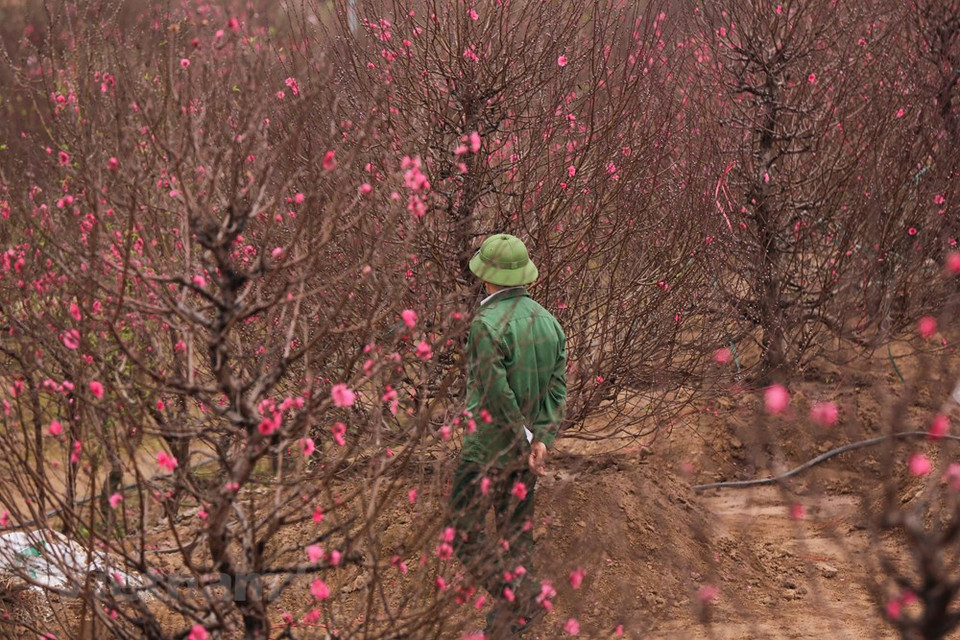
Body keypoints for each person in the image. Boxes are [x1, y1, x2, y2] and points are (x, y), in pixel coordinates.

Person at [449, 233, 567, 637]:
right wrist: (541, 440)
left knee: (461, 530)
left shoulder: (485, 325)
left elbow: (496, 395)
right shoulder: (550, 323)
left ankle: (522, 597)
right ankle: (509, 624)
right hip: (528, 452)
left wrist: (521, 438)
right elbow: (557, 389)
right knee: (516, 540)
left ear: (487, 276)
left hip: (487, 449)